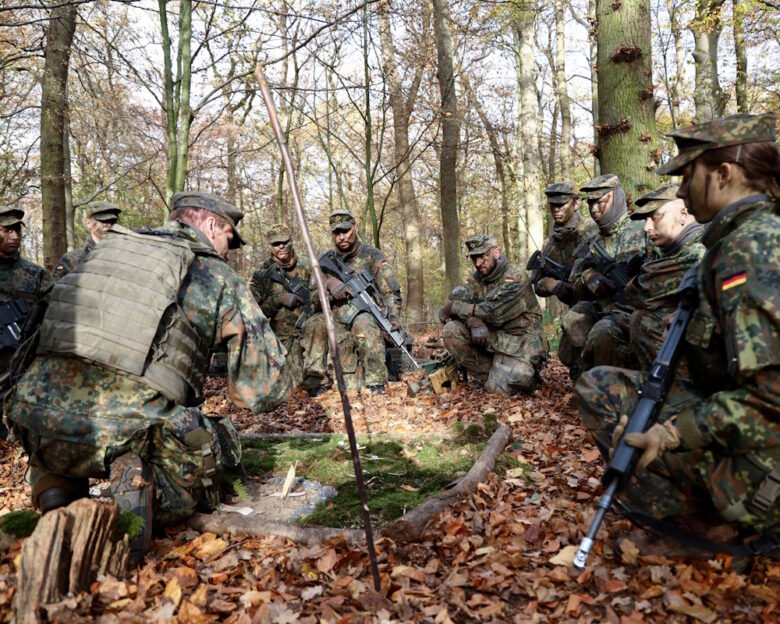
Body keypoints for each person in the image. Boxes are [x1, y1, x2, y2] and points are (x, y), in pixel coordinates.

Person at [4, 191, 290, 563]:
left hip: (39, 424)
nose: (228, 251)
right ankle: (141, 486)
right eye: (229, 239)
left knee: (58, 435)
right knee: (212, 442)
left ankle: (54, 491)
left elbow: (30, 342)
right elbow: (264, 390)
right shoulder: (213, 273)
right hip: (130, 432)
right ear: (208, 224)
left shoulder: (103, 254)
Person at [575, 113, 780, 554]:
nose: (682, 190)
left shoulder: (752, 251)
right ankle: (704, 520)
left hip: (771, 467)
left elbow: (771, 399)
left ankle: (721, 528)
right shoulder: (733, 243)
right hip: (752, 438)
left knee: (610, 396)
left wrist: (671, 432)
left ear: (724, 174)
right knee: (609, 390)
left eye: (689, 175)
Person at [307, 209, 403, 393]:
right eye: (336, 232)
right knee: (314, 324)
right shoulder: (324, 261)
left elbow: (391, 293)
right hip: (334, 319)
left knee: (365, 321)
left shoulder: (372, 255)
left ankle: (377, 383)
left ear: (356, 227)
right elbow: (312, 299)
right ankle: (315, 382)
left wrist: (393, 319)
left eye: (346, 230)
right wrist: (329, 285)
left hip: (364, 318)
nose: (341, 236)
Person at [439, 235, 548, 395]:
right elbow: (457, 298)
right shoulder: (478, 277)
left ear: (496, 253)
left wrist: (456, 307)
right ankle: (492, 374)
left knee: (512, 383)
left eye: (483, 256)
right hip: (494, 338)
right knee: (451, 331)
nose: (478, 263)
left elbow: (493, 313)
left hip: (521, 343)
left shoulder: (515, 277)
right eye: (474, 258)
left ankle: (518, 375)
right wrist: (473, 321)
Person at [569, 174, 649, 375]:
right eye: (590, 204)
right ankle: (587, 376)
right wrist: (587, 277)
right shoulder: (591, 242)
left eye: (600, 202)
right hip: (604, 309)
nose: (594, 210)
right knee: (574, 319)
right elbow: (572, 283)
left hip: (640, 310)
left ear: (617, 197)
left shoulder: (644, 230)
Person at [626, 183, 705, 370]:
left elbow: (639, 291)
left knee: (641, 320)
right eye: (646, 219)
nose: (647, 227)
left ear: (683, 215)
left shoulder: (697, 251)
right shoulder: (672, 250)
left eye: (655, 217)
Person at [532, 182, 599, 378]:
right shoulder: (550, 244)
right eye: (553, 206)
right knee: (567, 355)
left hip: (600, 303)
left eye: (561, 205)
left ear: (576, 204)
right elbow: (537, 283)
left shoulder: (591, 230)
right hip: (575, 307)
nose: (556, 210)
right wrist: (554, 285)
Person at [249, 224, 324, 394]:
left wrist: (313, 299)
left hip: (309, 329)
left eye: (284, 242)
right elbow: (252, 311)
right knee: (294, 386)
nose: (281, 247)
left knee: (320, 323)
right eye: (276, 244)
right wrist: (278, 299)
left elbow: (321, 299)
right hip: (283, 337)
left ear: (292, 241)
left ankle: (315, 379)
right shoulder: (262, 273)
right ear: (270, 246)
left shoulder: (308, 266)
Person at [0, 206, 53, 372]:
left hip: (23, 369)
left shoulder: (36, 274)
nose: (15, 236)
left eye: (17, 230)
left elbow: (58, 314)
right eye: (7, 231)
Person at [54, 200, 121, 279]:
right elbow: (57, 289)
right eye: (104, 220)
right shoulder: (71, 260)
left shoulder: (124, 256)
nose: (108, 225)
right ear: (88, 223)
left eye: (112, 221)